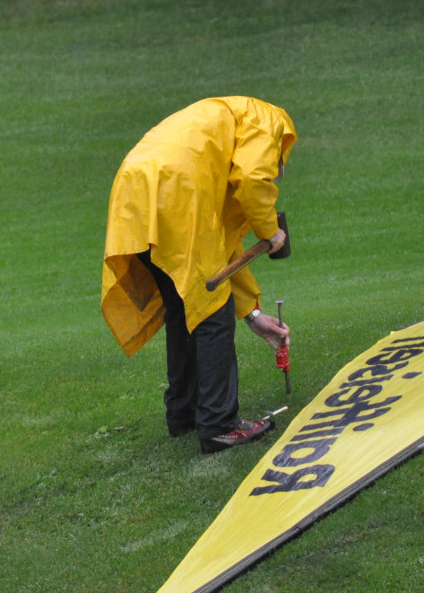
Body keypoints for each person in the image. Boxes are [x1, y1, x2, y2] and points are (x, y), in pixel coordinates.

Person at [100, 97, 296, 454]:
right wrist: (269, 231)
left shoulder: (224, 128)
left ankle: (185, 413)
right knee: (211, 311)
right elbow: (253, 177)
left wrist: (252, 313)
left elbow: (220, 257)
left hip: (135, 189)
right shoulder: (269, 120)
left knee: (182, 302)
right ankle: (220, 425)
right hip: (175, 189)